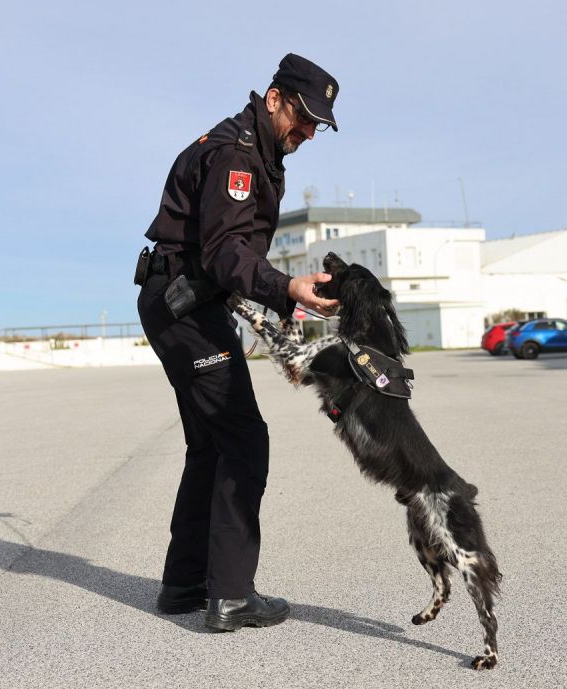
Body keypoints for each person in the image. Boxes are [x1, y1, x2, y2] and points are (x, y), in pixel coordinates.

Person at [136, 53, 341, 632]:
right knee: (244, 440)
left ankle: (184, 584)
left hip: (185, 304)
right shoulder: (237, 154)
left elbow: (226, 257)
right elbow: (227, 253)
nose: (305, 132)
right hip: (183, 309)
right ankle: (229, 594)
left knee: (210, 445)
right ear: (273, 97)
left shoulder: (257, 150)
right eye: (301, 116)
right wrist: (287, 287)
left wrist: (278, 308)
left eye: (316, 126)